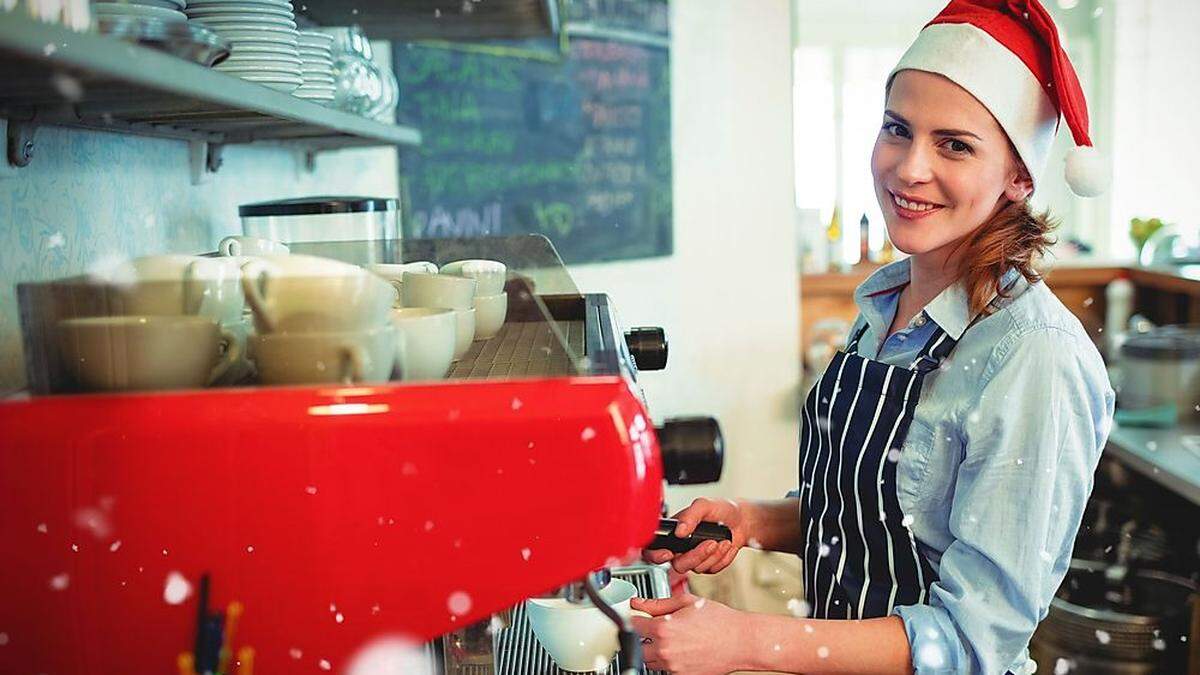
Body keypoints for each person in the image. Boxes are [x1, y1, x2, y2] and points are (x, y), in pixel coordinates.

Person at [631, 1, 1115, 672]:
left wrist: (745, 639)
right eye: (897, 128)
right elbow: (881, 516)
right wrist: (754, 519)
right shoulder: (885, 305)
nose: (910, 168)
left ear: (1018, 178)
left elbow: (976, 638)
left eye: (955, 144)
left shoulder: (1033, 356)